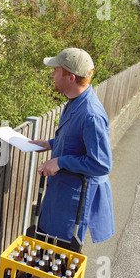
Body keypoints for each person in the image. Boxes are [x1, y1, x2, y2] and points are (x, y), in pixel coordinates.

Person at [29, 48, 114, 244]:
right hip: (59, 195)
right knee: (44, 246)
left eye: (56, 70)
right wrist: (49, 144)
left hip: (71, 204)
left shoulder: (91, 114)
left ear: (71, 77)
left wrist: (60, 161)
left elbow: (102, 164)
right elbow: (75, 142)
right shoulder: (74, 102)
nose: (52, 74)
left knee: (60, 257)